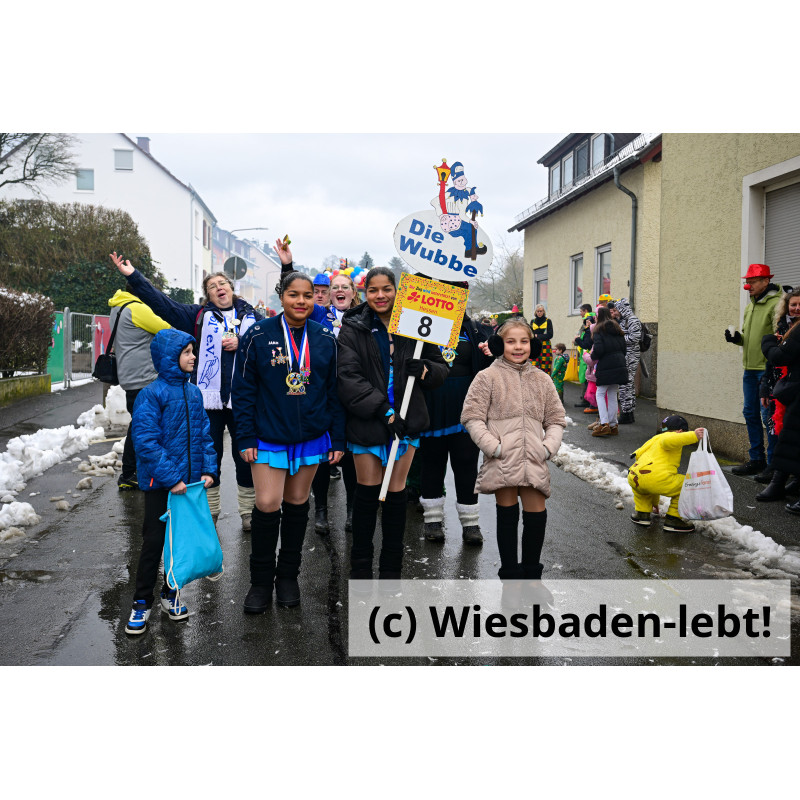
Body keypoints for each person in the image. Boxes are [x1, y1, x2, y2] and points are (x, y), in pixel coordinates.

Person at [110, 250, 267, 532]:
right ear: (208, 296)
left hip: (244, 400)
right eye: (212, 287)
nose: (219, 288)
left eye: (223, 284)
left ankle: (247, 512)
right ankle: (211, 512)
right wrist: (134, 277)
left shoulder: (254, 317)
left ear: (232, 289)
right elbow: (162, 304)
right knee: (210, 457)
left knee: (246, 457)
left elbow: (268, 347)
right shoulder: (197, 316)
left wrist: (242, 341)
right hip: (207, 400)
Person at [232, 271, 345, 612]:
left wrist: (336, 437)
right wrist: (246, 434)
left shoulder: (325, 337)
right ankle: (260, 582)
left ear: (315, 298)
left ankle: (288, 577)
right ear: (282, 297)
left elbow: (334, 393)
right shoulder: (258, 334)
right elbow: (243, 390)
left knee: (297, 505)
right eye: (293, 295)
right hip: (268, 436)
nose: (300, 301)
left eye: (307, 295)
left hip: (311, 436)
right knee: (267, 504)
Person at [337, 267, 447, 581]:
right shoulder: (352, 329)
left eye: (387, 289)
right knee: (367, 495)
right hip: (369, 421)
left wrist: (424, 368)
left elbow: (440, 369)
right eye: (374, 290)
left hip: (407, 422)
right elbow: (348, 379)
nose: (381, 296)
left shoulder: (415, 327)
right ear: (364, 293)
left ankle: (391, 570)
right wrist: (385, 411)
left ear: (397, 291)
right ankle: (360, 569)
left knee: (396, 495)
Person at [124, 328, 218, 635]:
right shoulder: (152, 395)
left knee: (178, 543)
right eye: (188, 352)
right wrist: (172, 478)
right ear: (170, 358)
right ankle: (141, 602)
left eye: (194, 351)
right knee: (154, 542)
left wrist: (208, 470)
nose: (193, 357)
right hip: (162, 485)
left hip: (189, 486)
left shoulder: (193, 393)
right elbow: (146, 442)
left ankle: (170, 593)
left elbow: (205, 435)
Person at [460, 318, 567, 586]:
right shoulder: (487, 377)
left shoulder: (542, 380)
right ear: (499, 344)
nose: (518, 347)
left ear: (533, 345)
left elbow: (555, 419)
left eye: (524, 341)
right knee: (507, 517)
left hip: (534, 458)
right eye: (511, 341)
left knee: (536, 518)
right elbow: (472, 417)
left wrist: (547, 448)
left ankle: (532, 577)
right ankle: (509, 577)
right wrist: (493, 447)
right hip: (502, 459)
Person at [418, 310, 493, 545]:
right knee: (432, 462)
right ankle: (432, 520)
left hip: (466, 408)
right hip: (431, 406)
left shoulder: (474, 329)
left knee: (466, 463)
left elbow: (488, 363)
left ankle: (471, 523)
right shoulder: (422, 325)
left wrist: (491, 353)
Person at [107, 284, 170, 491]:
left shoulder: (117, 307)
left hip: (129, 376)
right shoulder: (137, 308)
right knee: (143, 428)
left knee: (140, 425)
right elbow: (168, 329)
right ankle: (129, 473)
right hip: (144, 376)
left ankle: (132, 472)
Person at [311, 271, 360, 534]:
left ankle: (352, 508)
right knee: (322, 454)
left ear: (353, 292)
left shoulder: (363, 316)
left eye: (345, 287)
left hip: (353, 393)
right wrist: (287, 267)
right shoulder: (320, 314)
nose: (339, 291)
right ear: (329, 293)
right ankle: (320, 510)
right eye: (335, 287)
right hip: (323, 393)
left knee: (350, 454)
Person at [725, 264, 783, 480]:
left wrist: (771, 369)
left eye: (753, 281)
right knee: (750, 413)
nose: (748, 285)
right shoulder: (751, 306)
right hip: (749, 369)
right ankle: (756, 459)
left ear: (766, 281)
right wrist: (737, 339)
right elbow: (752, 339)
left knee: (769, 417)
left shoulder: (777, 304)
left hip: (766, 371)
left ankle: (773, 464)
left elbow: (779, 339)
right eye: (747, 281)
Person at [628, 415, 705, 533]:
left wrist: (654, 502)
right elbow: (669, 440)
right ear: (680, 431)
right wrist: (693, 436)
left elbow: (639, 456)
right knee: (688, 484)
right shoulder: (670, 437)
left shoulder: (655, 438)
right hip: (653, 478)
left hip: (635, 476)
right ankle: (673, 518)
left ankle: (642, 514)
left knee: (644, 488)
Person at [757, 301, 800, 510]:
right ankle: (780, 481)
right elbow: (771, 364)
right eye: (793, 304)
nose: (797, 308)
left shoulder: (797, 329)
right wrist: (765, 386)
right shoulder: (785, 326)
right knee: (788, 437)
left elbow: (779, 356)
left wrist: (767, 343)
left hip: (793, 388)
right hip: (784, 389)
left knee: (790, 438)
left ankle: (777, 481)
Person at [589, 306, 627, 437]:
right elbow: (624, 349)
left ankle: (604, 423)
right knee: (612, 394)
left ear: (599, 317)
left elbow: (598, 350)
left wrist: (592, 357)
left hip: (606, 365)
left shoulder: (599, 331)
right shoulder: (617, 329)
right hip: (619, 364)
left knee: (600, 393)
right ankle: (613, 424)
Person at [608, 298, 641, 424]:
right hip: (626, 356)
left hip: (630, 357)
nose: (615, 313)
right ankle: (628, 413)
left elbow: (635, 337)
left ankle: (627, 413)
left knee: (625, 385)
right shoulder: (625, 320)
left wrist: (619, 338)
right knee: (627, 386)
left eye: (616, 310)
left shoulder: (632, 320)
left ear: (622, 309)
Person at [573, 303, 595, 408]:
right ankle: (586, 398)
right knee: (587, 377)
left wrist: (577, 339)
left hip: (587, 355)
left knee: (587, 377)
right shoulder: (592, 319)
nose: (580, 314)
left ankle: (587, 400)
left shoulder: (589, 321)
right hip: (586, 355)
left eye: (581, 311)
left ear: (585, 311)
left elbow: (586, 342)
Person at [531, 303, 554, 373]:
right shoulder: (532, 321)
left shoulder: (548, 321)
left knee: (546, 367)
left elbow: (550, 335)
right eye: (538, 311)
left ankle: (546, 382)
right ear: (535, 312)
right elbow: (530, 333)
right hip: (535, 345)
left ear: (543, 311)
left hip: (545, 346)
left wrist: (538, 336)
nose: (539, 313)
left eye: (541, 311)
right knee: (534, 367)